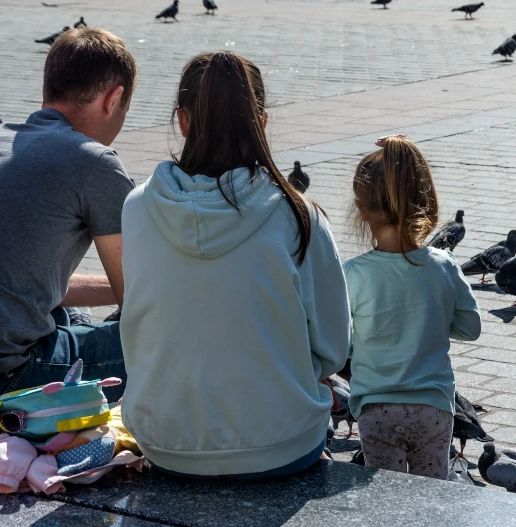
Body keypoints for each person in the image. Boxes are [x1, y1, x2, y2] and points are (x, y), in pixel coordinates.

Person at [119, 51, 350, 479]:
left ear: (182, 120)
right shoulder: (299, 215)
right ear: (261, 122)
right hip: (282, 443)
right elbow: (333, 348)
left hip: (165, 444)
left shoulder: (135, 208)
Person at [0, 29, 137, 425]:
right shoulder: (94, 162)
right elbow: (141, 303)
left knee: (72, 319)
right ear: (113, 100)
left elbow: (8, 287)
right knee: (173, 343)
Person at [345, 136, 481, 480]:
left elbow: (338, 342)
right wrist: (430, 318)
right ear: (425, 201)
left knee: (386, 501)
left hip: (376, 409)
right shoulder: (444, 265)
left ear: (361, 208)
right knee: (431, 499)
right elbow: (470, 328)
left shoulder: (351, 274)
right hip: (432, 408)